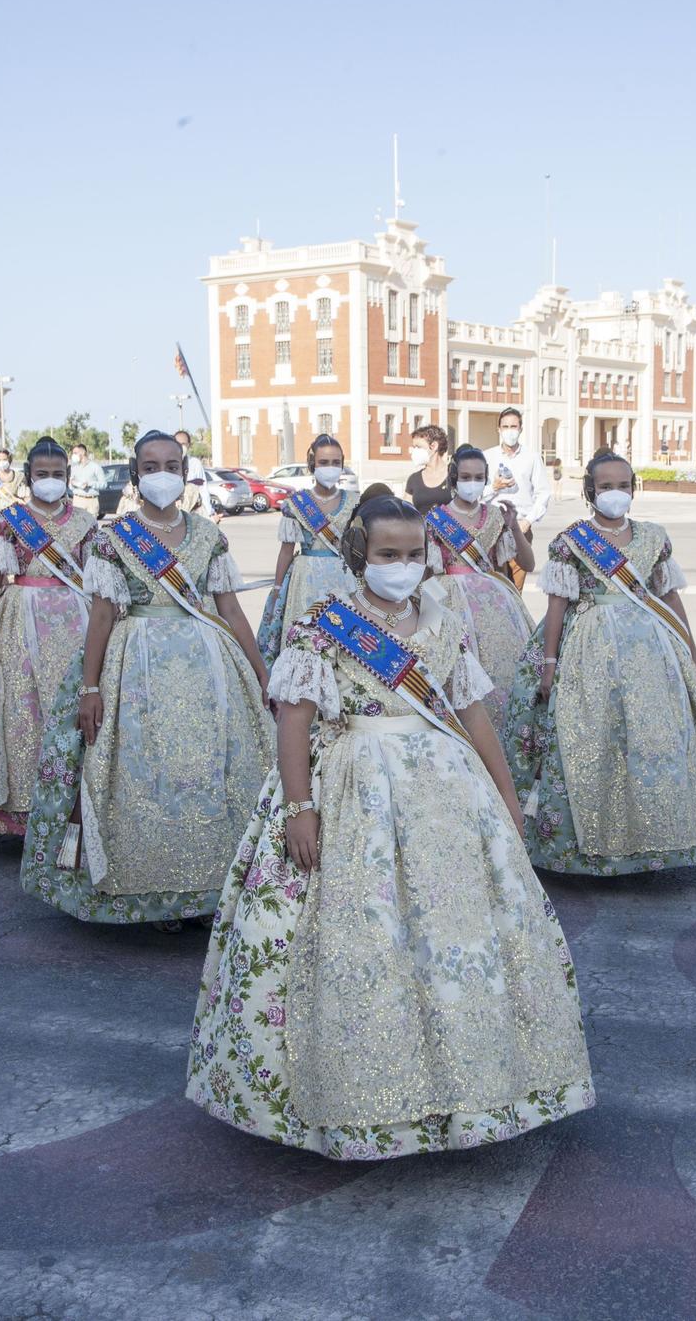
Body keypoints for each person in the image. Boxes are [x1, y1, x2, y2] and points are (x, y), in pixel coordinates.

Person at [187, 493, 594, 1159]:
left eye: (413, 554)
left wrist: (506, 795)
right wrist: (299, 808)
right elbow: (293, 720)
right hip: (352, 782)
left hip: (445, 788)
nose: (403, 566)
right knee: (363, 934)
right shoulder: (326, 626)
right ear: (358, 556)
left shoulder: (443, 619)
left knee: (456, 935)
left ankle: (470, 1087)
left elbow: (473, 711)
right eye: (388, 554)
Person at [33, 430, 274, 926]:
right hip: (134, 671)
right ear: (135, 473)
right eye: (150, 465)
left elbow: (229, 607)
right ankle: (149, 895)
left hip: (210, 671)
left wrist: (260, 671)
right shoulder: (113, 536)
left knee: (212, 776)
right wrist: (91, 687)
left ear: (184, 471)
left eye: (170, 464)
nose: (161, 473)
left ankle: (210, 891)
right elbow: (102, 615)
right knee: (146, 780)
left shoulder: (208, 534)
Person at [504, 451, 696, 874]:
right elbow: (558, 604)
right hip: (587, 649)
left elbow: (669, 596)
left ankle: (655, 840)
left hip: (651, 651)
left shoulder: (654, 536)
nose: (616, 494)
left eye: (624, 485)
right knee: (592, 740)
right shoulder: (571, 541)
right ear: (590, 491)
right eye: (606, 486)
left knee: (653, 741)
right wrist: (548, 661)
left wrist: (689, 649)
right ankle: (586, 848)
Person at [0, 438, 97, 836]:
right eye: (42, 474)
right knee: (21, 712)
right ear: (29, 477)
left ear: (68, 477)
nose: (50, 481)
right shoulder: (8, 521)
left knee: (71, 712)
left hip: (74, 623)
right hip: (19, 625)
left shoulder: (84, 523)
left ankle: (73, 808)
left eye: (58, 475)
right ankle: (24, 811)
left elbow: (97, 583)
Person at [424, 445, 534, 723]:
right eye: (465, 476)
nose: (471, 483)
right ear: (453, 478)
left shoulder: (496, 516)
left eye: (478, 477)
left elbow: (528, 564)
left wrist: (513, 527)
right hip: (448, 600)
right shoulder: (435, 519)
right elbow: (426, 575)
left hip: (495, 603)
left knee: (501, 671)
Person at [254, 434, 359, 666]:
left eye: (335, 462)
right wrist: (277, 588)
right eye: (323, 462)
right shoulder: (296, 504)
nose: (330, 468)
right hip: (305, 577)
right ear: (313, 464)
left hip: (344, 578)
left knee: (343, 639)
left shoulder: (355, 501)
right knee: (306, 637)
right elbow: (286, 550)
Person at [486, 407, 552, 538]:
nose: (509, 431)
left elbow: (543, 492)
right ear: (498, 429)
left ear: (520, 429)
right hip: (492, 529)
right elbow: (476, 495)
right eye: (505, 426)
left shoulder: (532, 457)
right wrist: (494, 487)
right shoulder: (487, 457)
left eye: (513, 426)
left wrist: (528, 521)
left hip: (521, 529)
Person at [403, 424, 453, 512]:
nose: (414, 451)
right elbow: (406, 514)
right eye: (414, 447)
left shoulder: (454, 475)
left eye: (418, 447)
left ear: (433, 446)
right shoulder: (414, 479)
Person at [69, 442, 109, 520]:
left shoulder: (95, 467)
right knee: (78, 526)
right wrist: (72, 483)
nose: (73, 455)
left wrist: (89, 484)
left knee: (91, 527)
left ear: (83, 452)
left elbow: (104, 484)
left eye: (75, 453)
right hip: (78, 500)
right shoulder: (74, 467)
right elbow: (71, 486)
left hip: (92, 501)